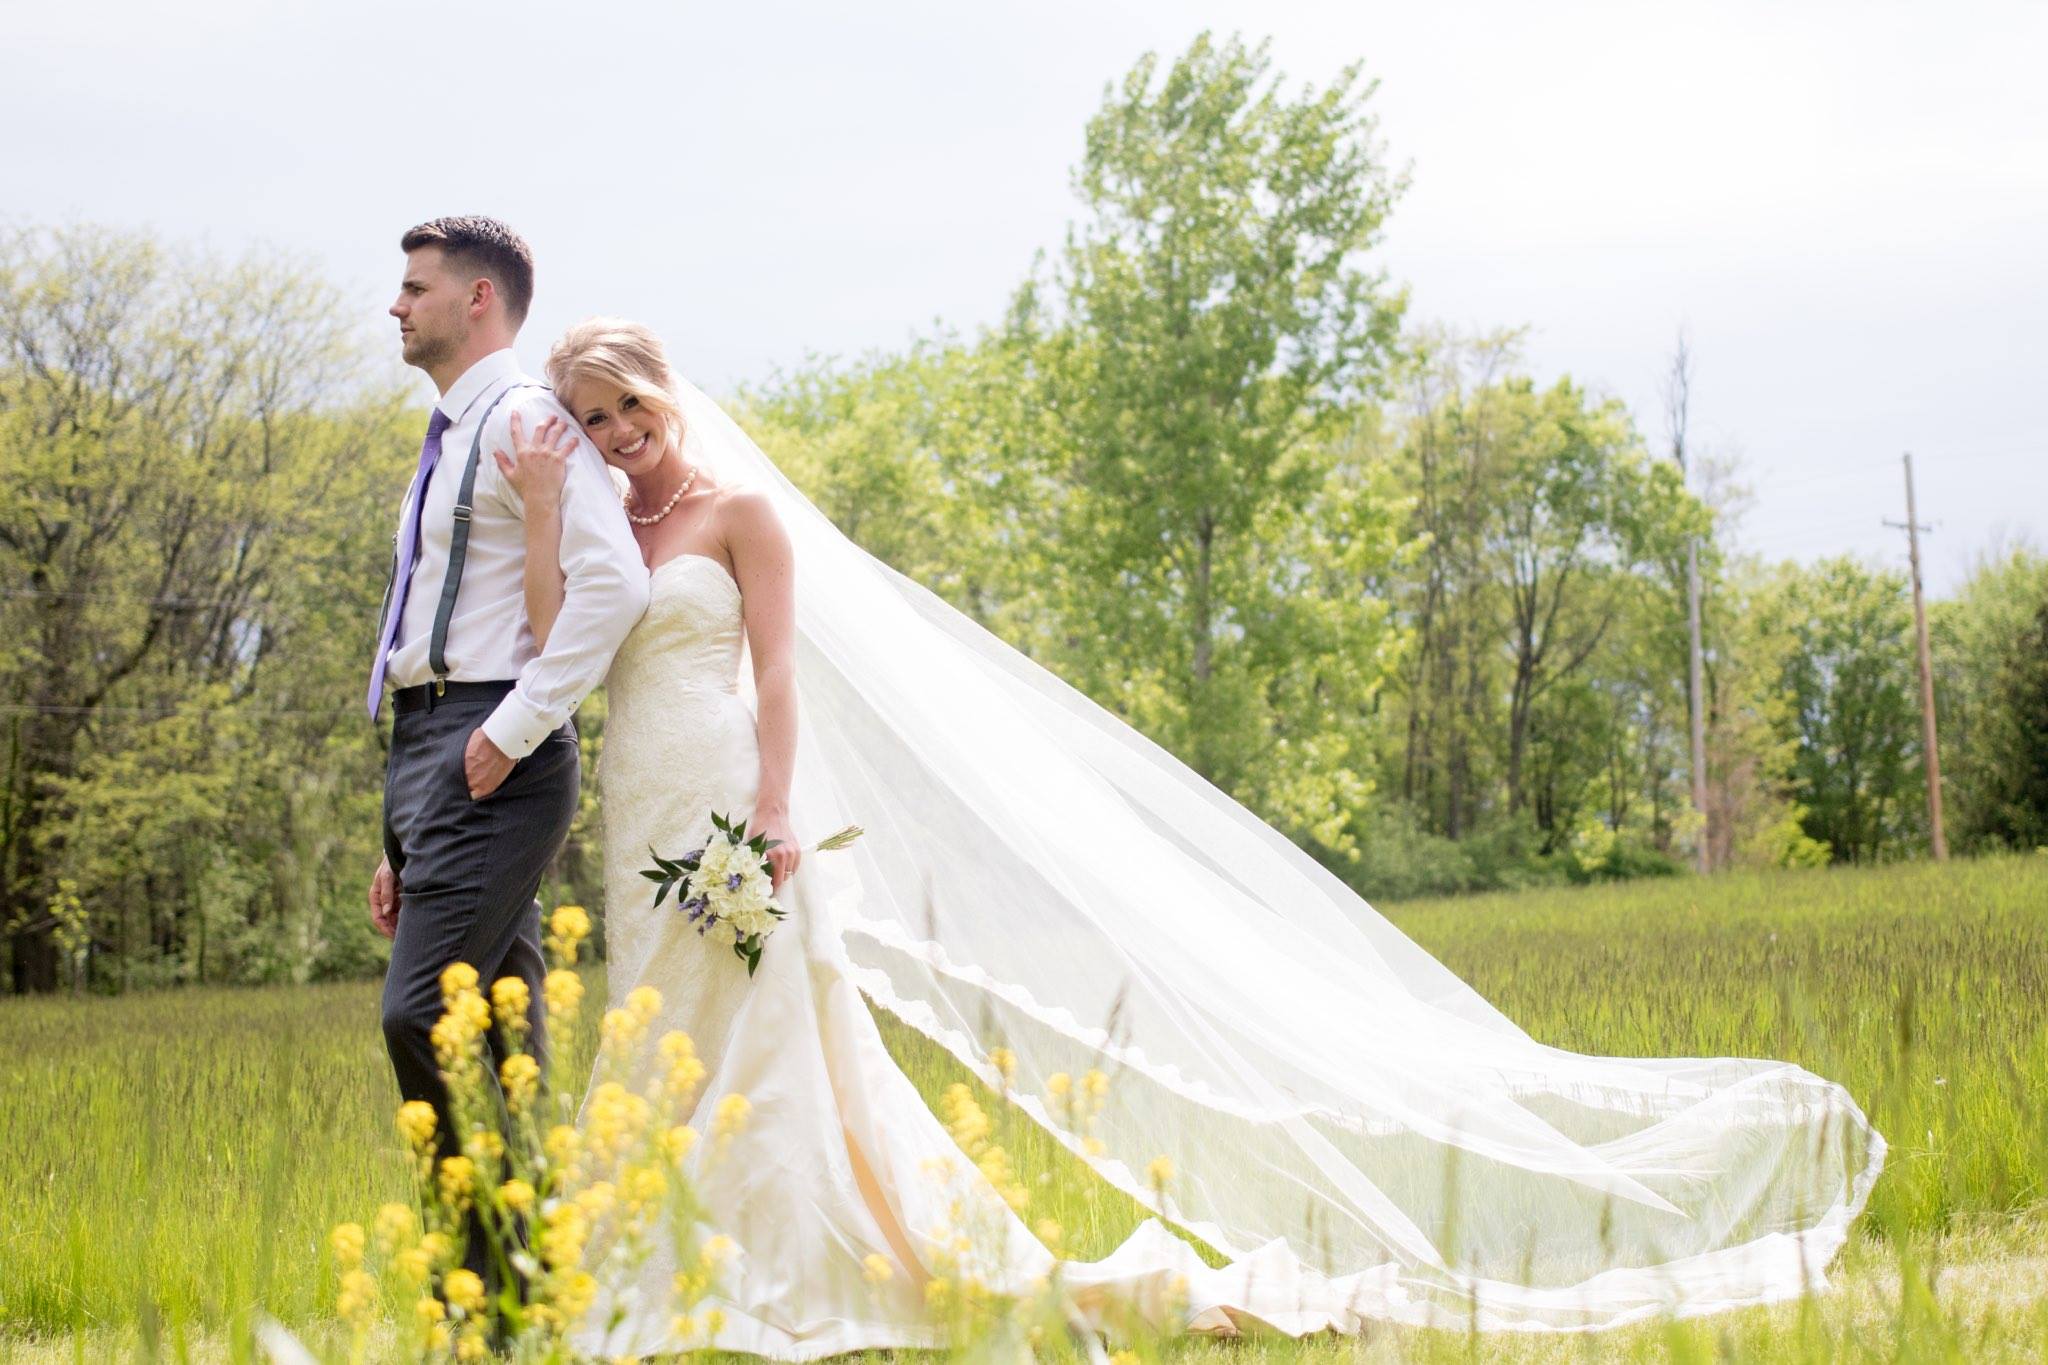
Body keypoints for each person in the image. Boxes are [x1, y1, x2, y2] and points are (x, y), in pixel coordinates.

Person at [493, 317, 1885, 1354]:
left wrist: (783, 807)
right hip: (643, 813)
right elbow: (558, 639)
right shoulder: (608, 514)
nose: (619, 438)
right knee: (658, 1028)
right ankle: (667, 1255)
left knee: (774, 1035)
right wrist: (555, 505)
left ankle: (790, 1261)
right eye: (594, 423)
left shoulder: (742, 512)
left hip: (736, 795)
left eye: (629, 413)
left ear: (666, 397)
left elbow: (780, 675)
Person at [365, 219, 648, 1291]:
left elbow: (614, 587)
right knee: (505, 1033)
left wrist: (514, 725)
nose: (396, 306)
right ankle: (529, 1293)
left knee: (420, 1013)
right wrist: (401, 830)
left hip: (490, 741)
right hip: (430, 742)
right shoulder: (444, 438)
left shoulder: (526, 422)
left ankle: (474, 1293)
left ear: (478, 299)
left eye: (414, 287)